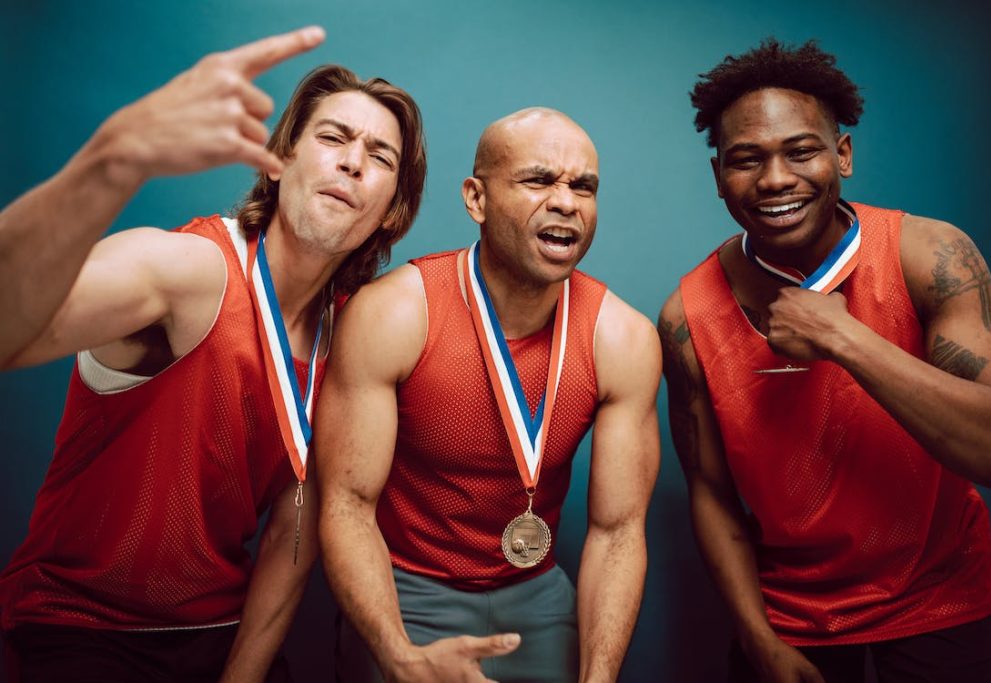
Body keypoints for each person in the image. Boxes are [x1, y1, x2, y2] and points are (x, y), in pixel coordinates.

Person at [0, 27, 427, 682]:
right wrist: (113, 158)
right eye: (333, 138)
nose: (352, 162)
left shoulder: (351, 340)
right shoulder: (189, 271)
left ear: (391, 211)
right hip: (78, 623)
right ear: (278, 159)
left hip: (217, 632)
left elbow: (296, 524)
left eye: (380, 156)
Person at [659, 38, 991, 683]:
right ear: (719, 177)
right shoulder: (688, 317)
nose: (775, 179)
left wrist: (845, 340)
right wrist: (757, 639)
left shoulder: (931, 258)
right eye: (747, 160)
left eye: (801, 151)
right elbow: (712, 496)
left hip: (939, 603)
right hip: (788, 625)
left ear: (843, 155)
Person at [317, 107, 661, 683]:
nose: (565, 202)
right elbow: (347, 505)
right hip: (405, 589)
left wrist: (599, 679)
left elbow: (618, 531)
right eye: (538, 180)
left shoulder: (622, 338)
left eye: (583, 187)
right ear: (476, 199)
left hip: (536, 593)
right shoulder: (395, 313)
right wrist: (398, 654)